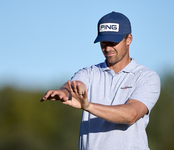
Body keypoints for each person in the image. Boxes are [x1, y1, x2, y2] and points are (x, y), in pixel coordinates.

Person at [40, 11, 161, 150]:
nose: (107, 48)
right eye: (103, 42)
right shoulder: (89, 72)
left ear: (129, 39)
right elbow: (76, 86)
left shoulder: (147, 76)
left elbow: (131, 114)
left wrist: (89, 106)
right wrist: (64, 92)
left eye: (113, 42)